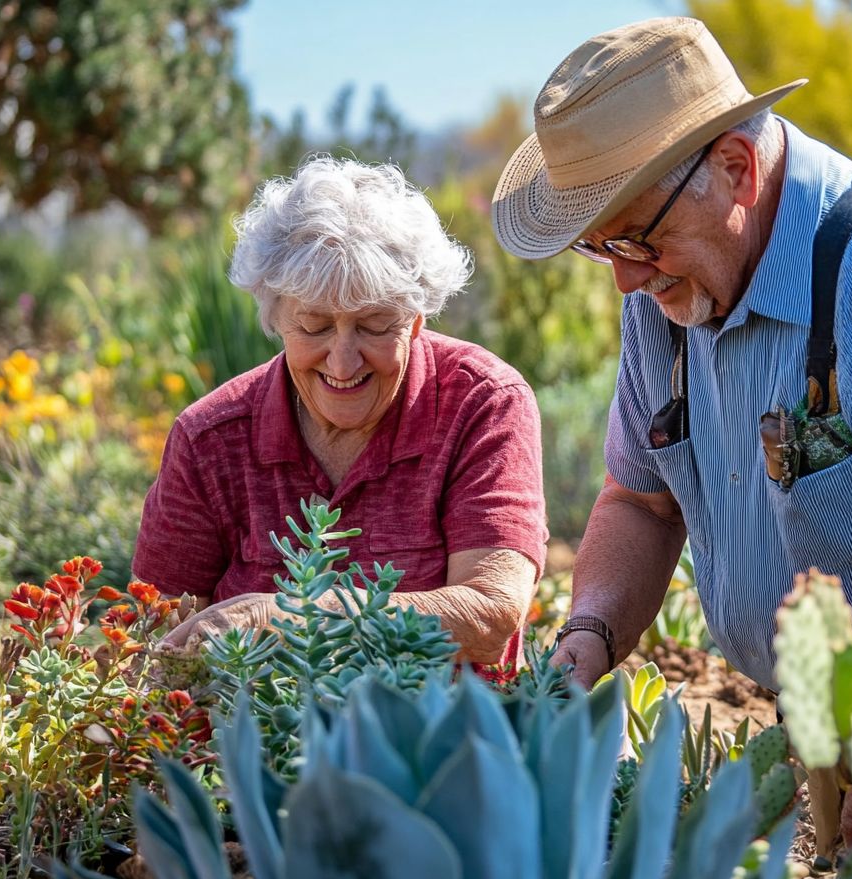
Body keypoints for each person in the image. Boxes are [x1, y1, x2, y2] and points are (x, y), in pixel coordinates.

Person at [492, 16, 852, 860]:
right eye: (598, 244)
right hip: (831, 715)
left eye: (635, 235)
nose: (622, 274)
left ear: (734, 166)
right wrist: (588, 637)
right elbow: (642, 503)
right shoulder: (665, 299)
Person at [135, 155, 547, 667]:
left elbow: (489, 613)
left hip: (446, 736)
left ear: (416, 318)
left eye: (374, 326)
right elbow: (151, 639)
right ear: (275, 317)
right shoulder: (211, 439)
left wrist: (285, 619)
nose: (344, 360)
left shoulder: (482, 403)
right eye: (314, 327)